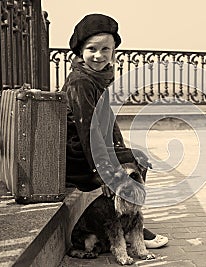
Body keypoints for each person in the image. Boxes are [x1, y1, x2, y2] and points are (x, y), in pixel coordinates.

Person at [61, 13, 168, 249]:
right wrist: (107, 172)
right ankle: (128, 225)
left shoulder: (97, 78)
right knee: (132, 161)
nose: (98, 56)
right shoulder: (81, 81)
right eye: (92, 49)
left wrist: (119, 148)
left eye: (105, 49)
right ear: (80, 51)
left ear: (113, 52)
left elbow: (107, 122)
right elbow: (88, 130)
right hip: (76, 158)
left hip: (85, 151)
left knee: (135, 158)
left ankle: (127, 220)